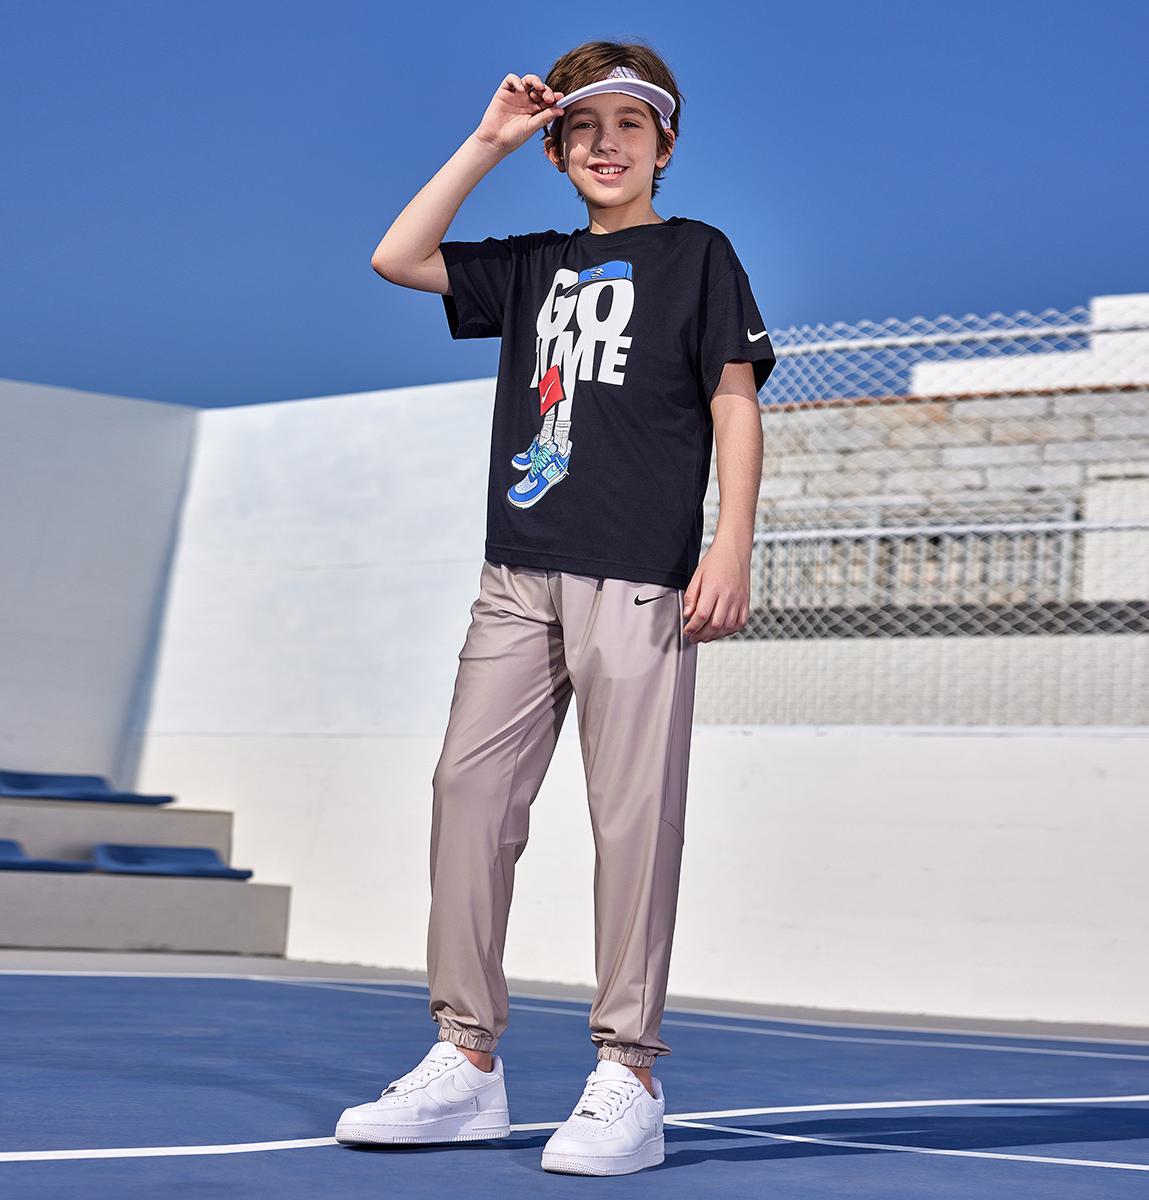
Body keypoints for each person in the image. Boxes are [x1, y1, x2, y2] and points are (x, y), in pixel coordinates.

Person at [335, 40, 774, 1176]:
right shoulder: (534, 264)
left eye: (630, 126)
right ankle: (466, 1059)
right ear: (556, 148)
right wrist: (488, 140)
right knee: (468, 794)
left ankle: (628, 1072)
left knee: (634, 820)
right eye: (583, 127)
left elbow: (733, 401)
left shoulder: (699, 255)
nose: (605, 144)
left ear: (665, 146)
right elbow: (397, 255)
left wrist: (731, 543)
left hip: (639, 576)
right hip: (517, 573)